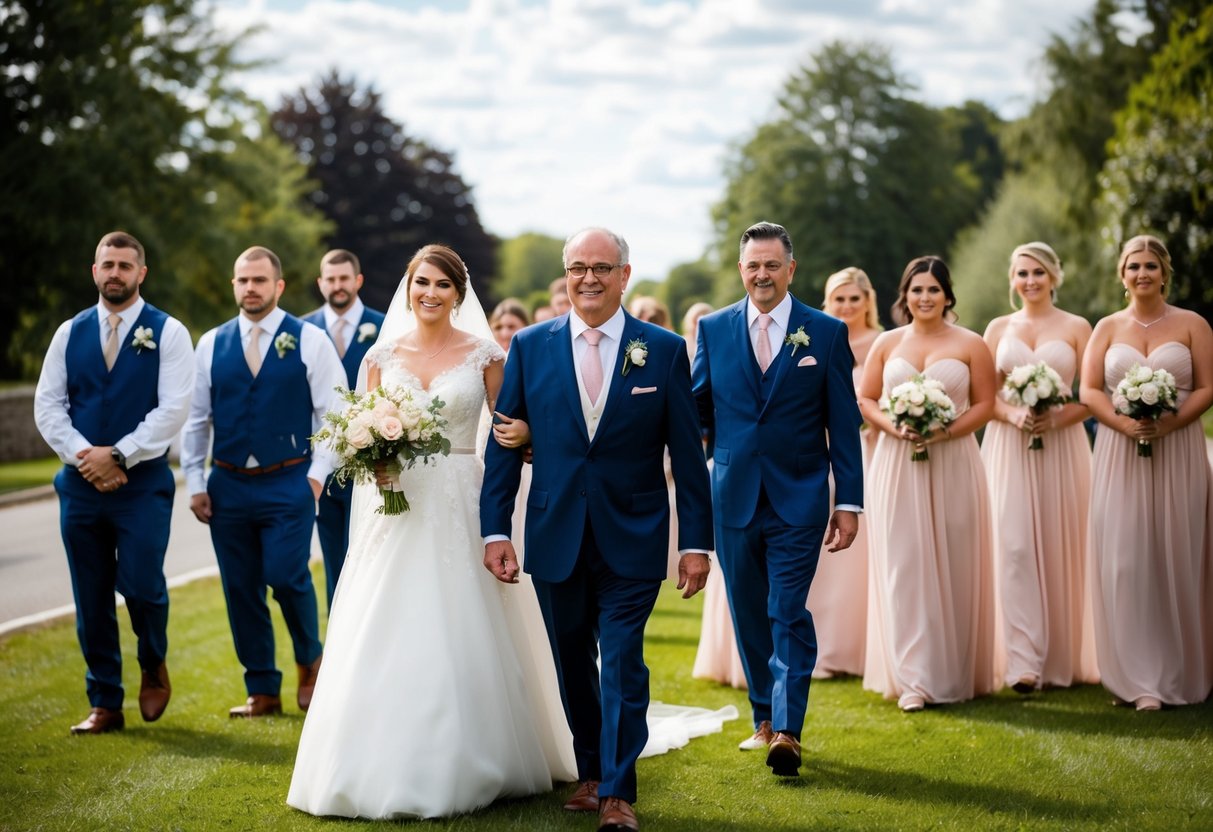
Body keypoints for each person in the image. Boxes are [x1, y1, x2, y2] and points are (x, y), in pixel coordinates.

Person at [288, 244, 576, 819]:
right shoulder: (381, 355)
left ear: (458, 295)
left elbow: (512, 431)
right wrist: (372, 459)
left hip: (458, 504)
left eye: (443, 285)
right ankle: (369, 760)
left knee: (461, 620)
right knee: (381, 620)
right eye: (422, 282)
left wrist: (523, 438)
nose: (430, 293)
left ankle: (476, 756)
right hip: (390, 508)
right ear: (408, 285)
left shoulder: (486, 354)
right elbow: (357, 431)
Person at [481, 227, 713, 832]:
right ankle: (590, 772)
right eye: (579, 267)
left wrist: (695, 543)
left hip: (634, 534)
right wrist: (495, 531)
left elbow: (687, 456)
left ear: (624, 275)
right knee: (570, 660)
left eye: (602, 268)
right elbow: (506, 446)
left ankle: (617, 792)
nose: (589, 278)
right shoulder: (530, 347)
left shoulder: (661, 350)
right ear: (566, 274)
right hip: (555, 531)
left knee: (624, 661)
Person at [692, 222, 863, 777]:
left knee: (786, 608)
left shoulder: (826, 333)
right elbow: (696, 412)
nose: (761, 274)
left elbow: (844, 423)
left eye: (771, 264)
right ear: (741, 270)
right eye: (752, 265)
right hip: (733, 497)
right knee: (748, 613)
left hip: (800, 497)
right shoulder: (712, 330)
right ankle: (763, 719)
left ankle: (788, 730)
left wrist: (849, 502)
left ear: (791, 269)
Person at [34, 231, 194, 735]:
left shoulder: (167, 332)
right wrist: (87, 458)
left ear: (141, 273)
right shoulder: (69, 332)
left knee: (143, 587)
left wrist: (120, 454)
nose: (116, 273)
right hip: (80, 484)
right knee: (91, 594)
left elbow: (173, 410)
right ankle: (105, 700)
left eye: (126, 266)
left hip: (143, 484)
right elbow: (48, 406)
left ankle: (153, 662)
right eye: (108, 265)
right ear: (95, 270)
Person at [181, 245, 345, 718]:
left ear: (278, 286)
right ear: (234, 285)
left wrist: (315, 479)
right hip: (227, 482)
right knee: (239, 585)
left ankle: (309, 660)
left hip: (288, 479)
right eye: (242, 280)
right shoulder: (211, 343)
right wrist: (195, 480)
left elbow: (334, 414)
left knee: (286, 575)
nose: (249, 288)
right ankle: (262, 688)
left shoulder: (309, 340)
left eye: (258, 280)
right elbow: (196, 420)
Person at [858, 256, 1000, 712]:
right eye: (917, 290)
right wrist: (891, 425)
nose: (925, 298)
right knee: (904, 565)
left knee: (955, 562)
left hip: (955, 460)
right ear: (905, 295)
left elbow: (985, 405)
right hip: (896, 464)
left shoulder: (972, 343)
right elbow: (866, 397)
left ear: (947, 295)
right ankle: (913, 678)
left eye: (933, 290)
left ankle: (952, 670)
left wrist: (945, 430)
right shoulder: (887, 342)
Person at [1080, 234, 1213, 710]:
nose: (1142, 273)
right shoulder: (1107, 327)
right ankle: (1130, 676)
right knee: (1126, 557)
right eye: (1134, 265)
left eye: (1151, 265)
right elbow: (1089, 390)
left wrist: (1170, 421)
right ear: (1122, 274)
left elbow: (1205, 386)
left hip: (1178, 449)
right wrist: (1124, 425)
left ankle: (1179, 670)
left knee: (1177, 552)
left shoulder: (1193, 324)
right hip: (1119, 450)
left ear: (1165, 272)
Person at [982, 243, 1098, 694]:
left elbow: (1091, 394)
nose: (1030, 281)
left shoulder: (1076, 327)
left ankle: (1059, 658)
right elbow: (984, 394)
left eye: (1038, 273)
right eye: (1022, 273)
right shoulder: (996, 328)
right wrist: (1013, 415)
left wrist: (1057, 417)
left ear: (1053, 276)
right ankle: (1022, 662)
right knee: (1012, 547)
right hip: (1008, 445)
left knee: (1058, 544)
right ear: (1012, 279)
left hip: (1063, 444)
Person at [805, 267, 882, 679]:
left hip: (868, 451)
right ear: (827, 302)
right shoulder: (815, 337)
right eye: (839, 299)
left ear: (868, 301)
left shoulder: (883, 343)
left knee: (860, 555)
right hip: (820, 452)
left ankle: (858, 647)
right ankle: (822, 646)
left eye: (854, 298)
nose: (847, 306)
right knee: (823, 555)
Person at [302, 249, 386, 609]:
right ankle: (338, 643)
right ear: (321, 283)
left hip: (376, 465)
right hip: (322, 467)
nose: (337, 286)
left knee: (377, 561)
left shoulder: (384, 326)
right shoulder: (301, 330)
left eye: (344, 278)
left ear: (358, 281)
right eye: (330, 279)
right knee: (334, 563)